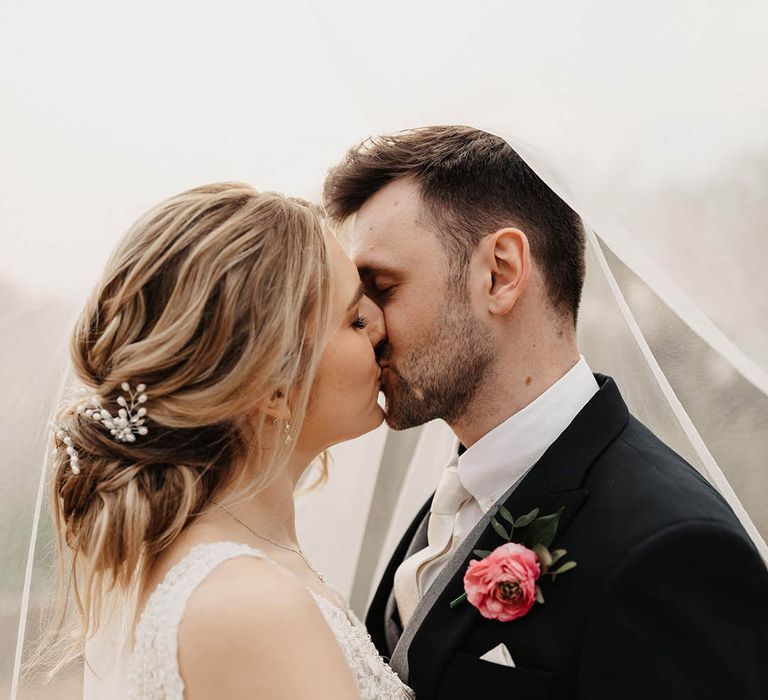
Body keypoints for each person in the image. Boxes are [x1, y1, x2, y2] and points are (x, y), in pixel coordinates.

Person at [323, 125, 768, 699]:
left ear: (501, 273)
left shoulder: (673, 550)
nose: (369, 326)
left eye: (382, 287)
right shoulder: (456, 496)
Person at [39, 183, 414, 699]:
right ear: (273, 390)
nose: (378, 325)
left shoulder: (234, 569)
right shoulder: (250, 605)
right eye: (352, 318)